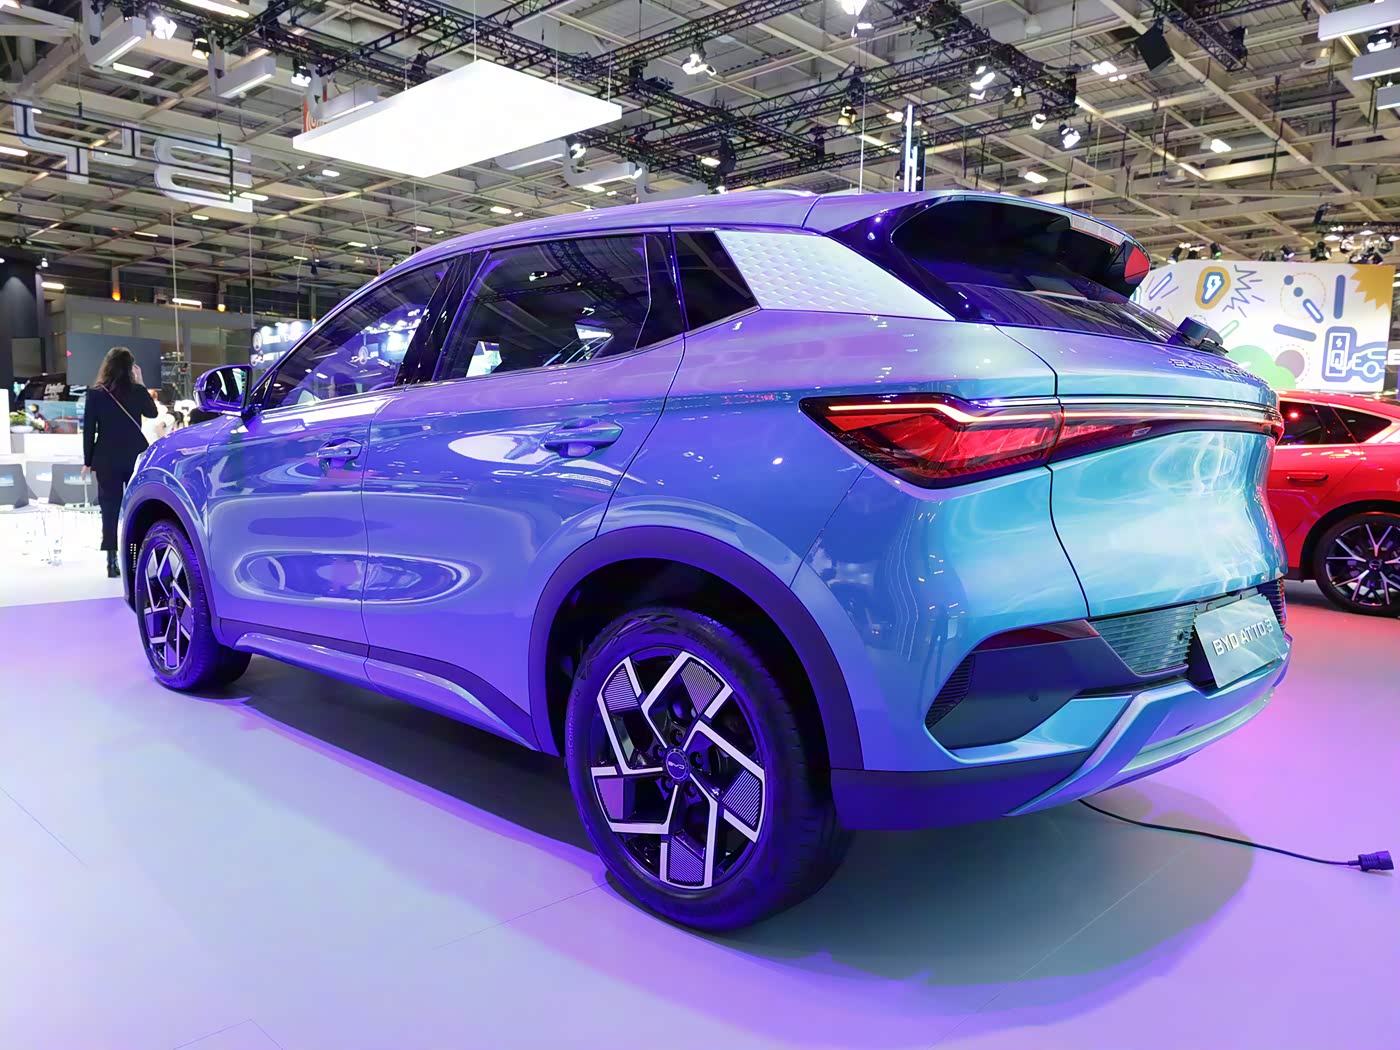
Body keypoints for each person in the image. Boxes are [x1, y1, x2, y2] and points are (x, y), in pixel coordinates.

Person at [81, 348, 157, 578]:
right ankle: (135, 560)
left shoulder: (95, 394)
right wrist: (141, 383)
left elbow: (89, 431)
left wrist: (87, 461)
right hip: (134, 456)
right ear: (130, 367)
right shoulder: (136, 391)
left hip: (106, 458)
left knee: (110, 509)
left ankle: (112, 561)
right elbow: (152, 413)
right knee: (136, 508)